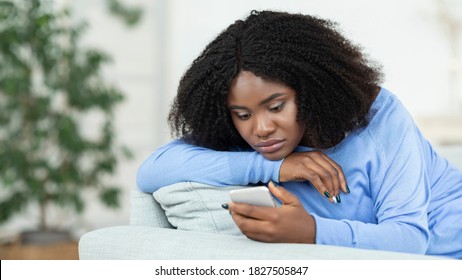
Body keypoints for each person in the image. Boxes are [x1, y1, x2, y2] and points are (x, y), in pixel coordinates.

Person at [137, 10, 462, 258]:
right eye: (243, 114)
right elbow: (153, 170)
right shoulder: (247, 140)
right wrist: (277, 167)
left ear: (310, 91)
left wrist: (311, 230)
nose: (261, 129)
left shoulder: (379, 118)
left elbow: (411, 238)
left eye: (276, 107)